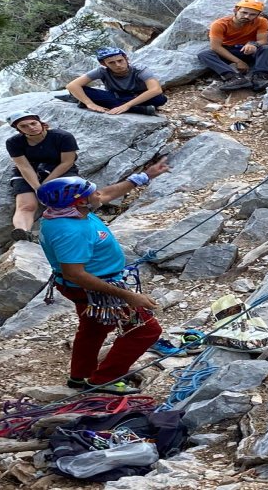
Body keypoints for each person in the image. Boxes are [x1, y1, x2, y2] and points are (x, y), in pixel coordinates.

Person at [37, 159, 170, 395]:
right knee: (145, 330)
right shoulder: (70, 231)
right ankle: (105, 379)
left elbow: (106, 194)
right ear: (80, 202)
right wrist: (128, 295)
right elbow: (75, 273)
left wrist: (145, 177)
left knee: (93, 328)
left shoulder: (69, 212)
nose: (98, 193)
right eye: (91, 193)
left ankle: (81, 376)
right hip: (96, 288)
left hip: (88, 285)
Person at [5, 111, 79, 242]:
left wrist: (45, 185)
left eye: (33, 123)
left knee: (61, 201)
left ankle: (73, 230)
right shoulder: (13, 142)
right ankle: (23, 232)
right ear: (18, 130)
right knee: (26, 206)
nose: (31, 128)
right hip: (29, 173)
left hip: (59, 170)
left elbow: (67, 162)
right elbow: (24, 166)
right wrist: (37, 188)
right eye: (24, 126)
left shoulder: (62, 137)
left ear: (40, 122)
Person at [197, 0, 268, 91]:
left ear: (258, 15)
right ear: (236, 10)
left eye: (252, 14)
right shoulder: (220, 24)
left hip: (248, 51)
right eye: (244, 12)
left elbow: (263, 41)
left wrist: (253, 44)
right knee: (204, 54)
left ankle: (260, 79)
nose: (247, 16)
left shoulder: (262, 21)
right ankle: (233, 78)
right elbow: (215, 46)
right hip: (228, 50)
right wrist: (238, 62)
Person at [65, 47, 167, 115]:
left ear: (126, 58)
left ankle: (127, 106)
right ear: (104, 64)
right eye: (112, 63)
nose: (118, 65)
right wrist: (89, 103)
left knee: (159, 99)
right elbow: (72, 86)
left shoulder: (140, 69)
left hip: (139, 96)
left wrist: (127, 105)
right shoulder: (102, 71)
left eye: (120, 61)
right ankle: (139, 109)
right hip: (115, 95)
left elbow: (156, 89)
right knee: (79, 91)